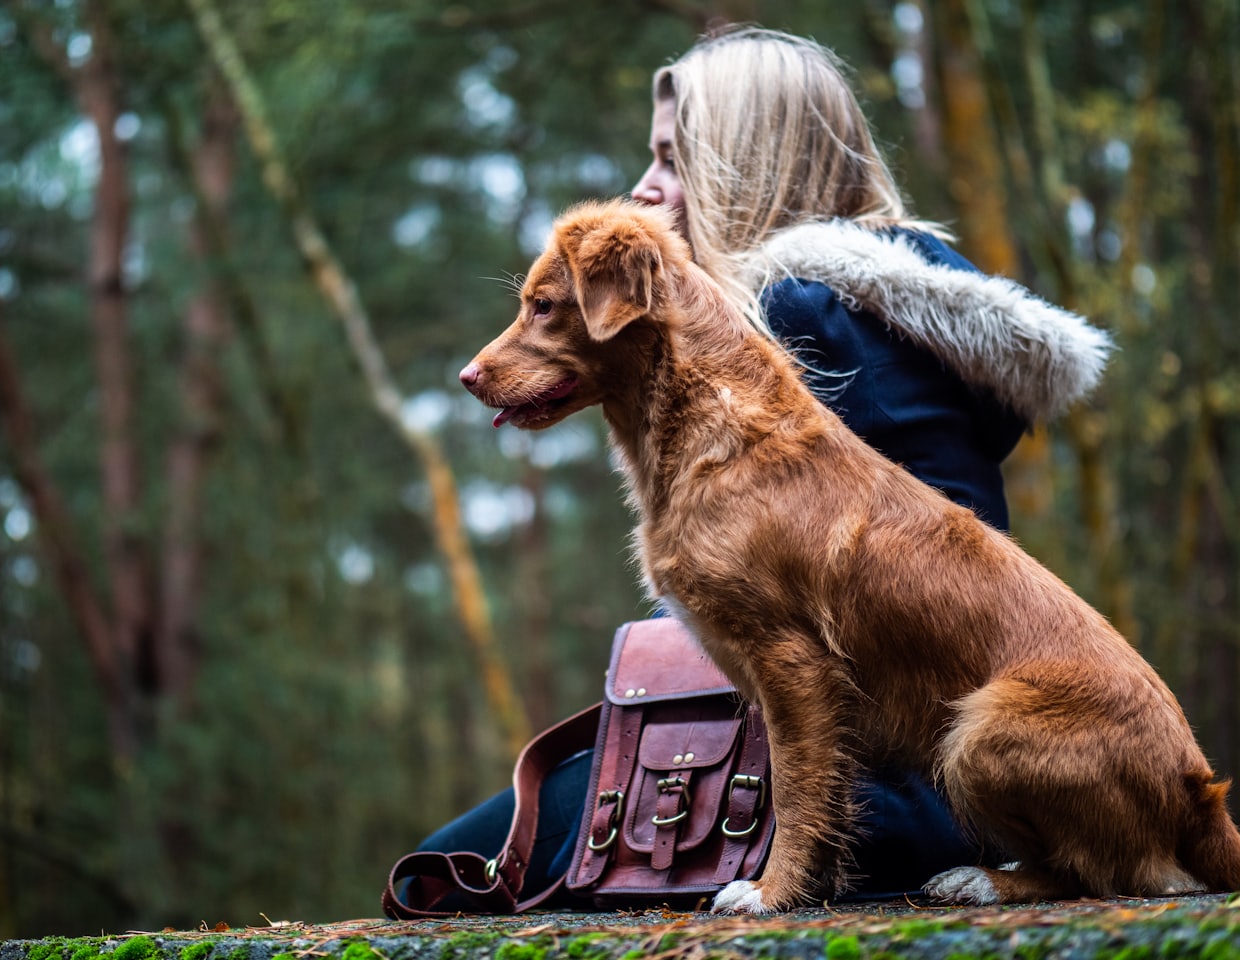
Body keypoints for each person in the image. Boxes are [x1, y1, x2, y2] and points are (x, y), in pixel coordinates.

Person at [404, 25, 1111, 908]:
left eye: (670, 156)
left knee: (446, 874)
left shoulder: (796, 319)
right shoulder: (876, 307)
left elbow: (831, 633)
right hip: (919, 773)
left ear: (748, 161)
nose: (645, 186)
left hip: (881, 787)